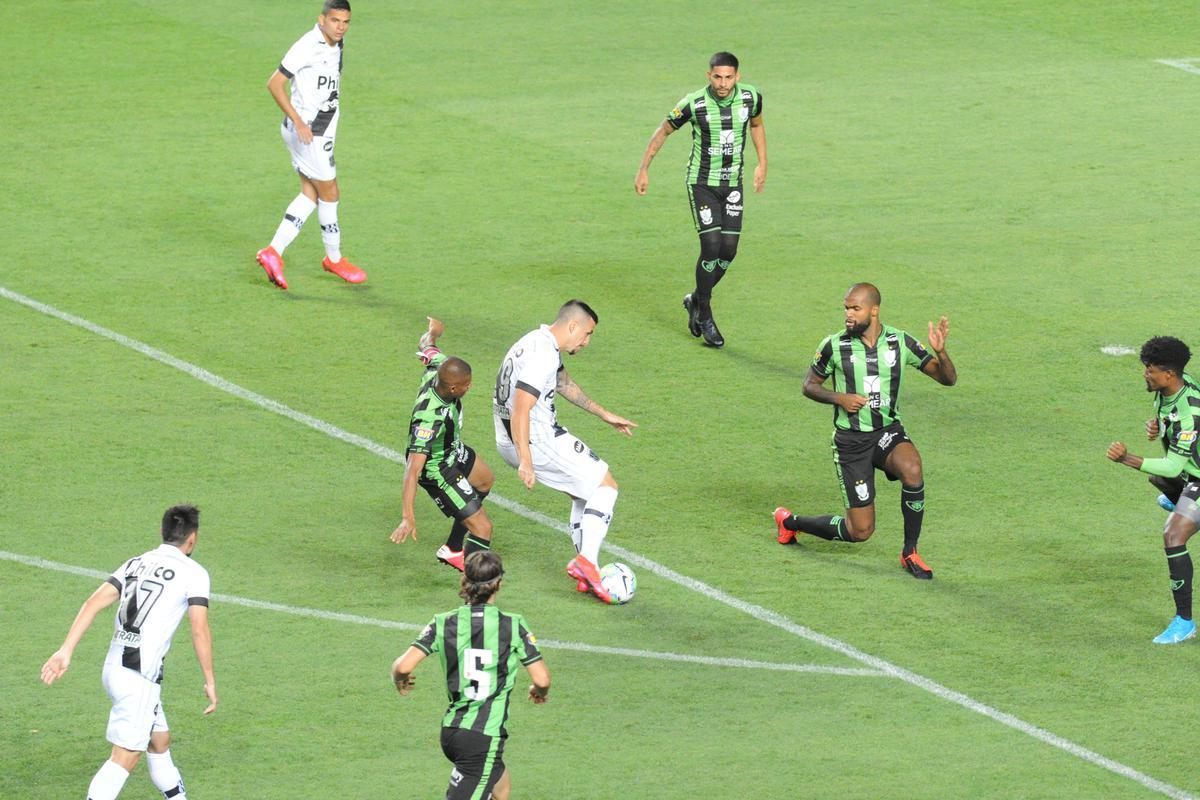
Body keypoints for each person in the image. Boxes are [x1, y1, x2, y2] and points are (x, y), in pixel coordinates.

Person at [773, 283, 956, 579]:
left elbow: (948, 380)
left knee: (912, 468)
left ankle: (910, 551)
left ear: (874, 310)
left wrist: (942, 352)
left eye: (855, 308)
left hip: (887, 432)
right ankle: (791, 523)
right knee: (860, 531)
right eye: (846, 308)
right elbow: (809, 385)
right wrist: (839, 398)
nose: (848, 314)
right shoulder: (834, 346)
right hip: (851, 443)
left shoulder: (900, 342)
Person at [40, 505, 216, 800]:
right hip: (139, 678)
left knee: (159, 740)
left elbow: (94, 602)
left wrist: (65, 650)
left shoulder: (136, 563)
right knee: (126, 756)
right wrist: (209, 680)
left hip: (115, 669)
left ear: (162, 532)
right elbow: (199, 629)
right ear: (192, 538)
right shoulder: (194, 573)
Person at [493, 300, 637, 603]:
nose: (586, 342)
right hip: (534, 441)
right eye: (587, 334)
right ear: (573, 325)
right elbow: (522, 407)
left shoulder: (533, 341)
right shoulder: (543, 354)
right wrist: (527, 462)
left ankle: (588, 572)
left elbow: (563, 383)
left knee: (583, 493)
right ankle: (586, 562)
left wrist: (604, 414)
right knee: (606, 486)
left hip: (509, 440)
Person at [634, 51, 767, 349]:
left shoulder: (751, 98)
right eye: (717, 77)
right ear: (708, 76)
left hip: (733, 185)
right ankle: (705, 313)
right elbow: (664, 130)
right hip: (702, 184)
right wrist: (644, 168)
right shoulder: (693, 103)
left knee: (728, 252)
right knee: (710, 246)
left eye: (728, 77)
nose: (722, 83)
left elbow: (757, 125)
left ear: (738, 76)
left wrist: (762, 163)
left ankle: (695, 298)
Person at [393, 551, 550, 800]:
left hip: (452, 730)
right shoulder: (512, 625)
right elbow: (542, 680)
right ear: (499, 583)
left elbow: (402, 667)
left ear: (463, 581)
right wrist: (538, 692)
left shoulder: (443, 622)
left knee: (501, 787)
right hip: (481, 740)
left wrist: (399, 680)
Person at [255, 0, 366, 290]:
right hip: (310, 133)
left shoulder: (337, 44)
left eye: (346, 22)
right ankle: (334, 258)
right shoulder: (307, 45)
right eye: (335, 21)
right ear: (322, 19)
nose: (341, 27)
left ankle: (273, 251)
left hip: (317, 130)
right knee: (329, 192)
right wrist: (300, 122)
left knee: (310, 193)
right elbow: (274, 83)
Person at [1106, 336, 1199, 644]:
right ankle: (1183, 502)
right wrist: (1158, 427)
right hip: (1191, 473)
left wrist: (1127, 459)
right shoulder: (1170, 389)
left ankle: (1184, 622)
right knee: (1157, 480)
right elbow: (1169, 424)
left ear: (1168, 374)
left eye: (1150, 369)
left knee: (1173, 535)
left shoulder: (1190, 411)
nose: (1145, 373)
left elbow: (1173, 467)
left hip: (1195, 477)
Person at [391, 317, 496, 571]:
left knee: (484, 480)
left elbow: (427, 346)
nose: (469, 387)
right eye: (466, 385)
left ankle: (453, 548)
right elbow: (413, 469)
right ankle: (475, 585)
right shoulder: (429, 419)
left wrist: (433, 333)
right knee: (483, 528)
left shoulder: (438, 367)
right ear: (451, 387)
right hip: (438, 470)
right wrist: (407, 516)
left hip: (452, 450)